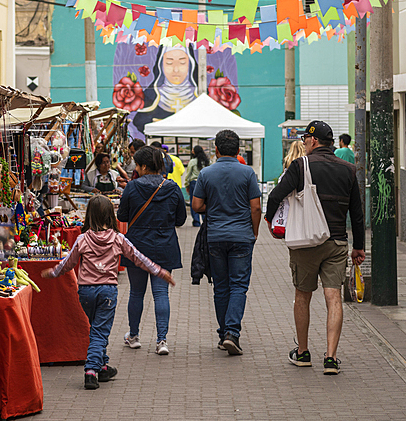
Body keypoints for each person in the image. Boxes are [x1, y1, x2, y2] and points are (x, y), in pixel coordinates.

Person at [42, 196, 175, 390]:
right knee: (100, 331)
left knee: (96, 328)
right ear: (110, 215)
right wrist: (159, 271)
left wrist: (52, 273)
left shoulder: (82, 238)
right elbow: (138, 258)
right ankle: (91, 371)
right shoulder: (118, 238)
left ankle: (102, 366)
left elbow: (67, 263)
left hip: (85, 291)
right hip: (107, 291)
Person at [264, 121, 365, 375]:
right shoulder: (349, 170)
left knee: (302, 295)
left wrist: (270, 219)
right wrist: (358, 248)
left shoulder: (301, 166)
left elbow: (277, 195)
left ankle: (303, 353)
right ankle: (331, 358)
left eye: (306, 139)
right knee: (333, 297)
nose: (305, 143)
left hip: (306, 242)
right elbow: (357, 213)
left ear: (313, 141)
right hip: (337, 242)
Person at [191, 129, 261, 356]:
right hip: (242, 236)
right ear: (239, 150)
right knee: (239, 286)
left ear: (217, 150)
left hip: (216, 237)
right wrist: (255, 232)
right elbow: (256, 207)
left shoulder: (206, 174)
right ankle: (232, 332)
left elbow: (196, 206)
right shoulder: (248, 173)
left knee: (221, 287)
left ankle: (224, 335)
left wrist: (214, 206)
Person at [117, 146, 186, 355]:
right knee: (161, 293)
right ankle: (162, 341)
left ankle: (134, 336)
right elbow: (181, 219)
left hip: (137, 245)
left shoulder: (132, 187)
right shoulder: (173, 188)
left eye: (137, 165)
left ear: (144, 166)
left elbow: (122, 216)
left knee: (136, 292)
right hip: (164, 245)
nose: (136, 168)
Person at [132, 44, 200, 134]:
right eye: (169, 63)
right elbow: (139, 122)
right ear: (161, 65)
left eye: (182, 63)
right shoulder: (149, 97)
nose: (176, 70)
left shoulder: (202, 96)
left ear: (190, 65)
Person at [184, 145, 210, 226]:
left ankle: (196, 221)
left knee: (194, 202)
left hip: (194, 183)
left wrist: (186, 184)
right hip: (205, 183)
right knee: (205, 202)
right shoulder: (207, 161)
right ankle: (205, 219)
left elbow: (188, 174)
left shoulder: (192, 162)